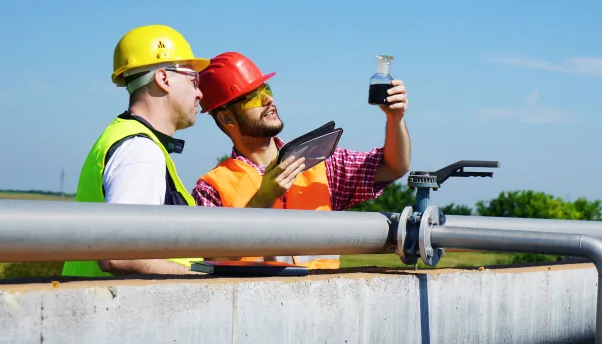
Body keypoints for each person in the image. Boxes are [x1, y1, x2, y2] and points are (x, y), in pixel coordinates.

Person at [191, 52, 411, 269]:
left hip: (323, 300)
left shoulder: (319, 161)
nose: (269, 100)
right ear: (226, 117)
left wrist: (395, 119)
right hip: (259, 303)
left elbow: (393, 167)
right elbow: (213, 259)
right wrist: (262, 200)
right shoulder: (211, 188)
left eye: (266, 89)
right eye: (254, 97)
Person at [62, 25, 210, 277]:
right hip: (113, 310)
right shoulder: (140, 151)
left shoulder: (126, 138)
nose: (199, 92)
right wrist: (197, 280)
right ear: (163, 79)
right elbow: (117, 254)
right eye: (192, 79)